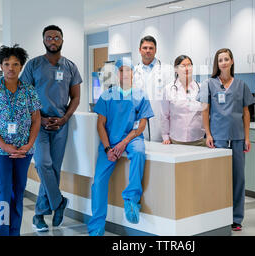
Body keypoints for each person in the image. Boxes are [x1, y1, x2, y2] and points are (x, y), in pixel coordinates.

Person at [20, 25, 82, 232]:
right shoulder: (33, 65)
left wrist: (65, 118)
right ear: (43, 40)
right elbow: (24, 96)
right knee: (43, 164)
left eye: (56, 37)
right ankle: (58, 202)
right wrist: (40, 118)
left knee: (54, 169)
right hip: (38, 123)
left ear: (62, 40)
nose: (53, 41)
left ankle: (39, 215)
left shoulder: (70, 67)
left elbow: (76, 97)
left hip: (61, 125)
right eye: (49, 37)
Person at [0, 44, 41, 236]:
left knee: (18, 193)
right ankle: (0, 232)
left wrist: (29, 144)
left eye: (15, 64)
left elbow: (36, 119)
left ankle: (14, 232)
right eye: (7, 64)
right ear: (1, 65)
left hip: (23, 150)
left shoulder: (29, 90)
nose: (11, 68)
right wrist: (4, 146)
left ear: (21, 66)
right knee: (2, 192)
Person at [88, 58, 154, 236]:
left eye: (128, 70)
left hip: (132, 139)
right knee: (99, 182)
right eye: (121, 71)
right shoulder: (107, 95)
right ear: (117, 74)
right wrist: (109, 148)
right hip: (110, 141)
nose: (125, 74)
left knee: (139, 153)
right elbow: (100, 124)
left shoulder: (140, 95)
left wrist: (124, 143)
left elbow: (141, 126)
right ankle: (96, 228)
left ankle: (131, 199)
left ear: (133, 73)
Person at [197, 48, 254, 232]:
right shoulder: (209, 84)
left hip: (237, 138)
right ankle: (218, 217)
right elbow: (204, 111)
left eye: (226, 59)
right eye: (220, 60)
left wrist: (247, 137)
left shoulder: (241, 85)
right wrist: (208, 134)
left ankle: (236, 218)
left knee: (238, 179)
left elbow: (246, 113)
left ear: (231, 61)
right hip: (218, 138)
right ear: (217, 63)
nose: (223, 62)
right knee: (218, 179)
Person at [133, 35, 173, 142]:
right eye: (145, 48)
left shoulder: (167, 70)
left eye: (151, 48)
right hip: (139, 117)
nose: (148, 51)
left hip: (160, 117)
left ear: (155, 50)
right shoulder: (133, 71)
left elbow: (171, 97)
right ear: (139, 50)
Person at [160, 55, 206, 146]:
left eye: (189, 65)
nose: (187, 68)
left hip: (198, 138)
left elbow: (206, 113)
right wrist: (165, 136)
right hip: (176, 139)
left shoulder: (201, 88)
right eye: (183, 66)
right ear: (176, 69)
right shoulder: (168, 89)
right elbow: (164, 115)